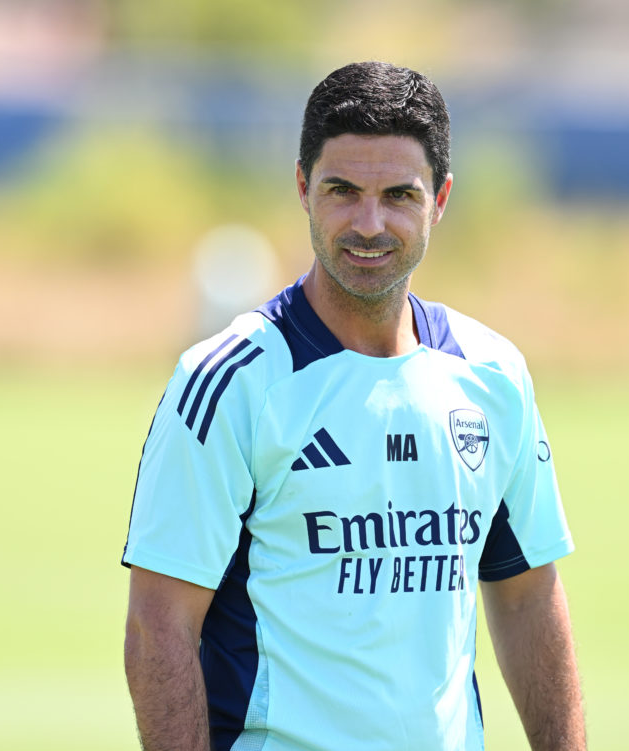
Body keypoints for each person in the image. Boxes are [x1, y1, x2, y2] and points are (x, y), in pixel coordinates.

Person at [122, 61, 586, 751]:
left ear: (441, 199)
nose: (369, 224)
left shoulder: (493, 375)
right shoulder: (231, 381)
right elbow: (159, 623)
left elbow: (526, 597)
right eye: (343, 190)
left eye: (399, 193)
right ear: (304, 188)